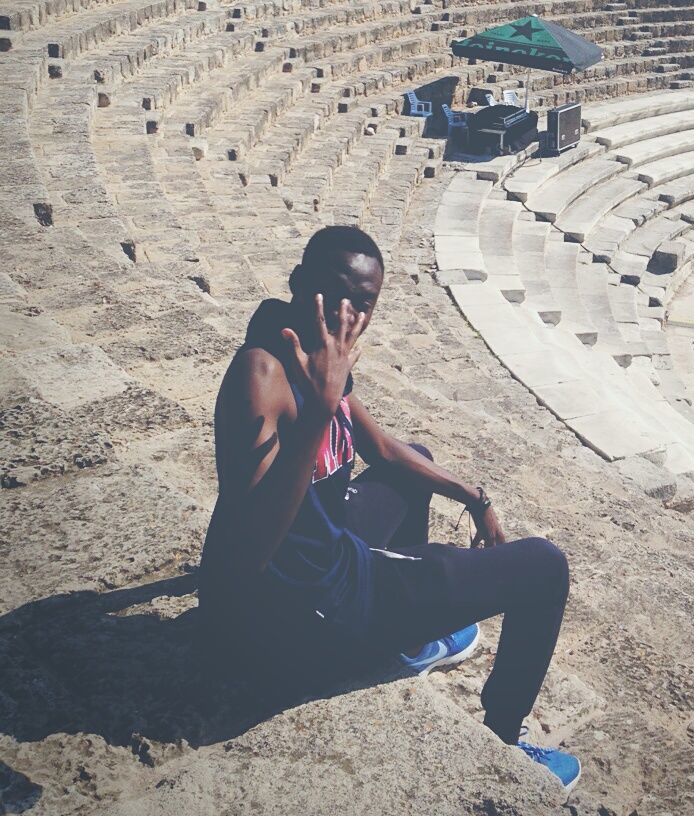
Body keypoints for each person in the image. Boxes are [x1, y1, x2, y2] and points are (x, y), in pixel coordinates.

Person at [198, 224, 580, 792]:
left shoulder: (310, 347)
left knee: (414, 464)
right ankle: (504, 744)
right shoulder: (261, 374)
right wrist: (324, 407)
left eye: (365, 303)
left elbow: (380, 449)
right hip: (308, 619)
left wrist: (476, 499)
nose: (347, 314)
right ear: (301, 283)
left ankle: (404, 639)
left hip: (318, 562)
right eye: (336, 293)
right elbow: (251, 549)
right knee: (546, 568)